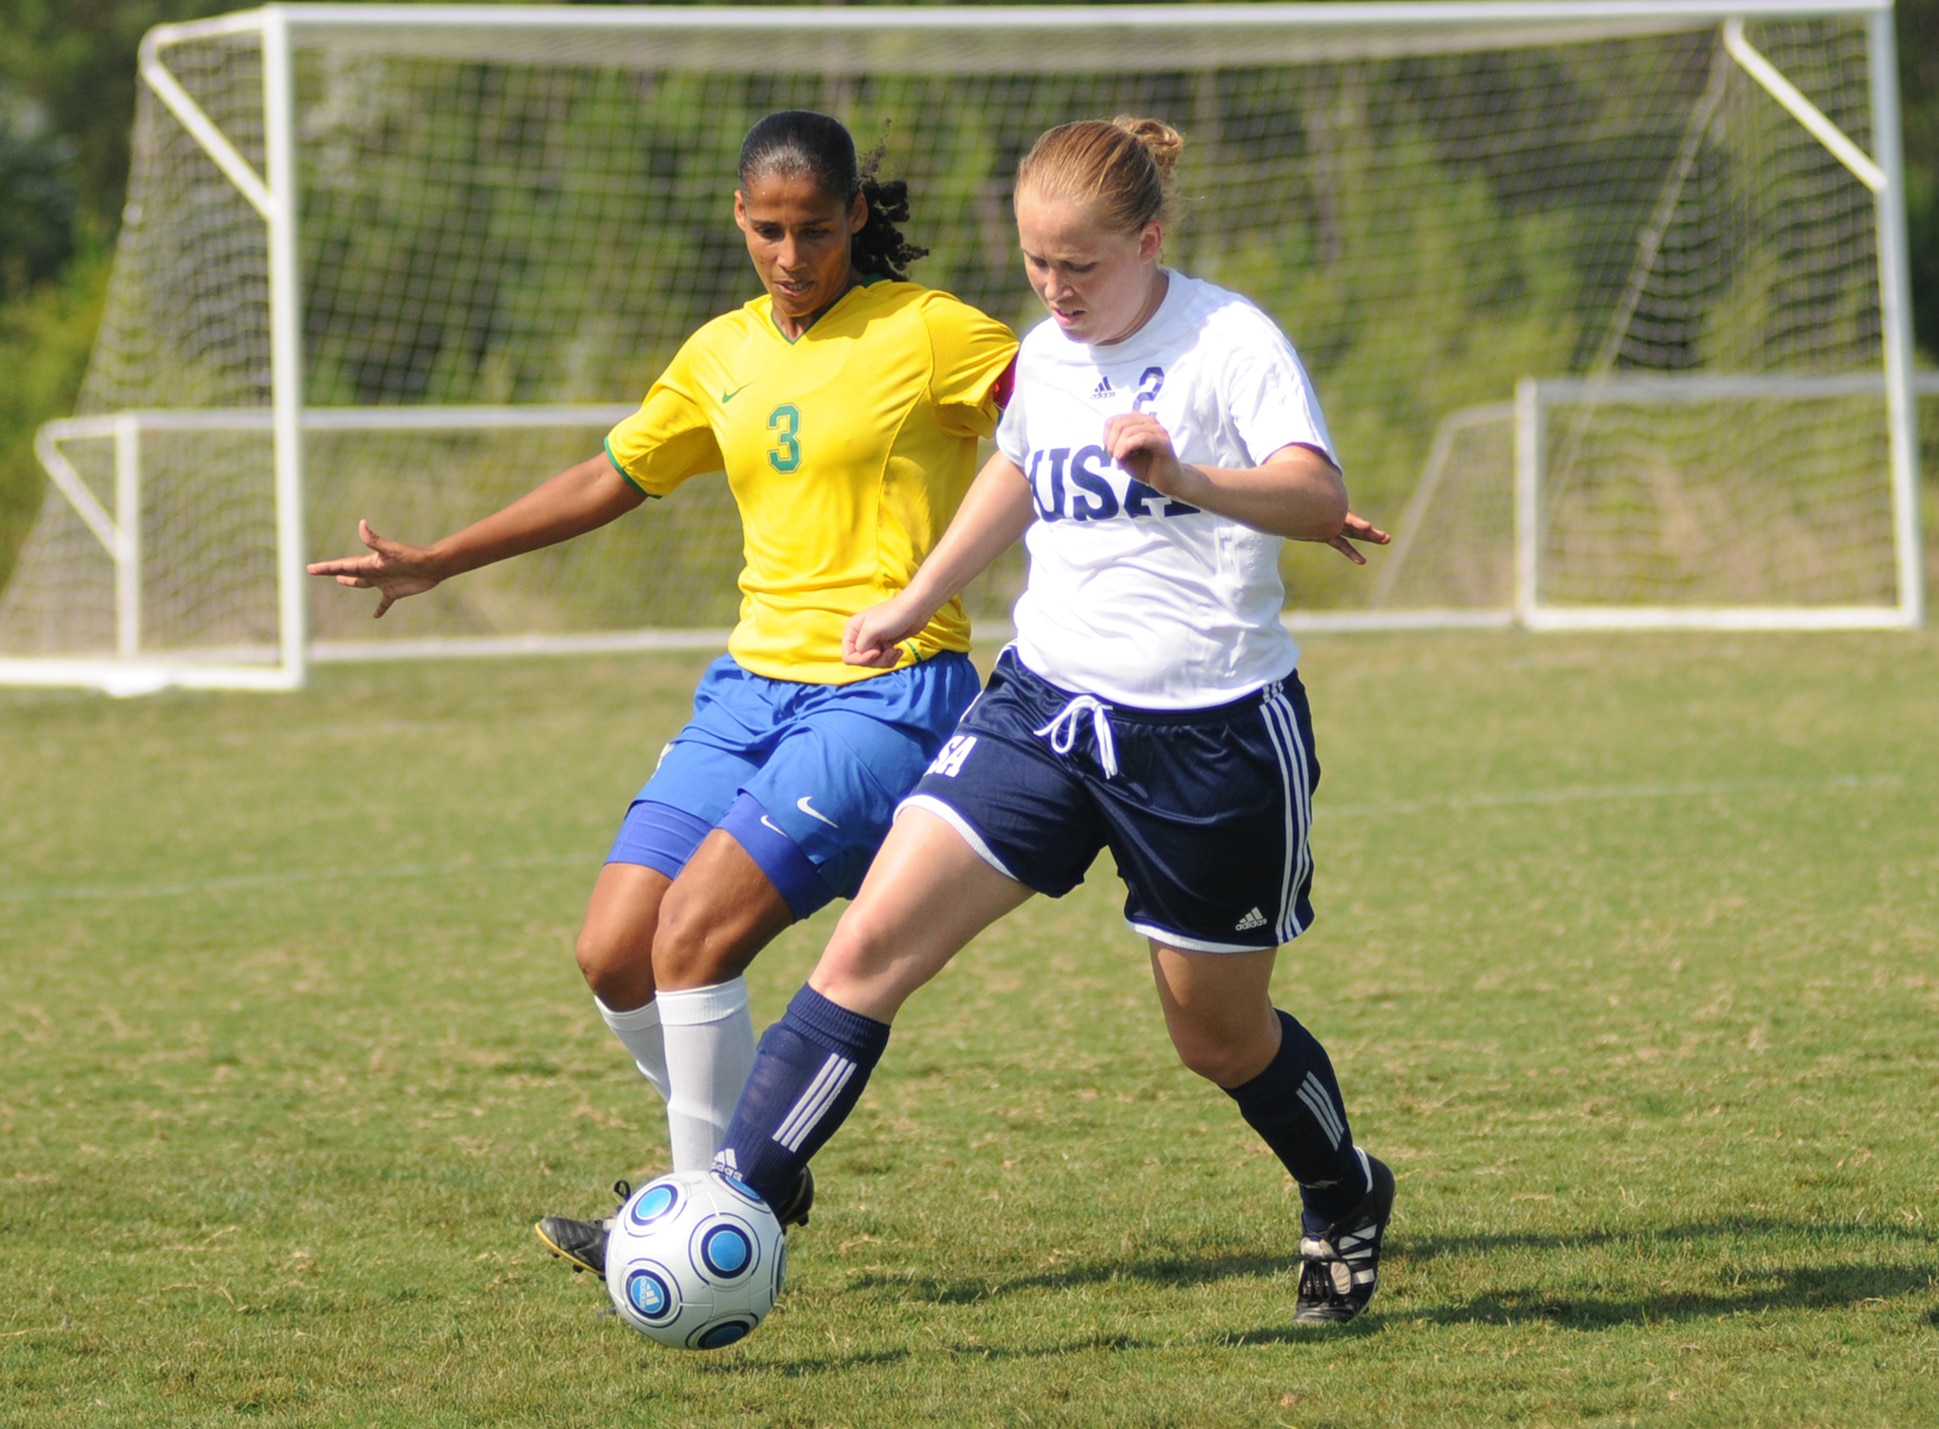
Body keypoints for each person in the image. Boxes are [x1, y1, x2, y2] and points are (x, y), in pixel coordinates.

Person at [708, 115, 1396, 1327]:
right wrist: (917, 595)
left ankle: (1341, 1190)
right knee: (866, 951)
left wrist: (1186, 475)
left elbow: (1317, 492)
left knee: (1215, 1040)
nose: (1054, 288)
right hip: (1042, 707)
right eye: (1034, 261)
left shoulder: (1228, 342)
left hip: (1210, 735)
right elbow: (1020, 468)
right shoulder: (1050, 350)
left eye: (1078, 264)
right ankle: (731, 1205)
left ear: (1148, 236)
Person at [306, 111, 1020, 1276]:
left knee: (694, 938)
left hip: (882, 693)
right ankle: (752, 1165)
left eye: (817, 231)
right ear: (739, 221)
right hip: (745, 689)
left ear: (855, 220)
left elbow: (1066, 413)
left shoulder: (930, 332)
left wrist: (1204, 484)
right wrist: (442, 558)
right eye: (769, 231)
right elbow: (611, 473)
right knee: (613, 952)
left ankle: (708, 1224)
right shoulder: (721, 353)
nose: (792, 258)